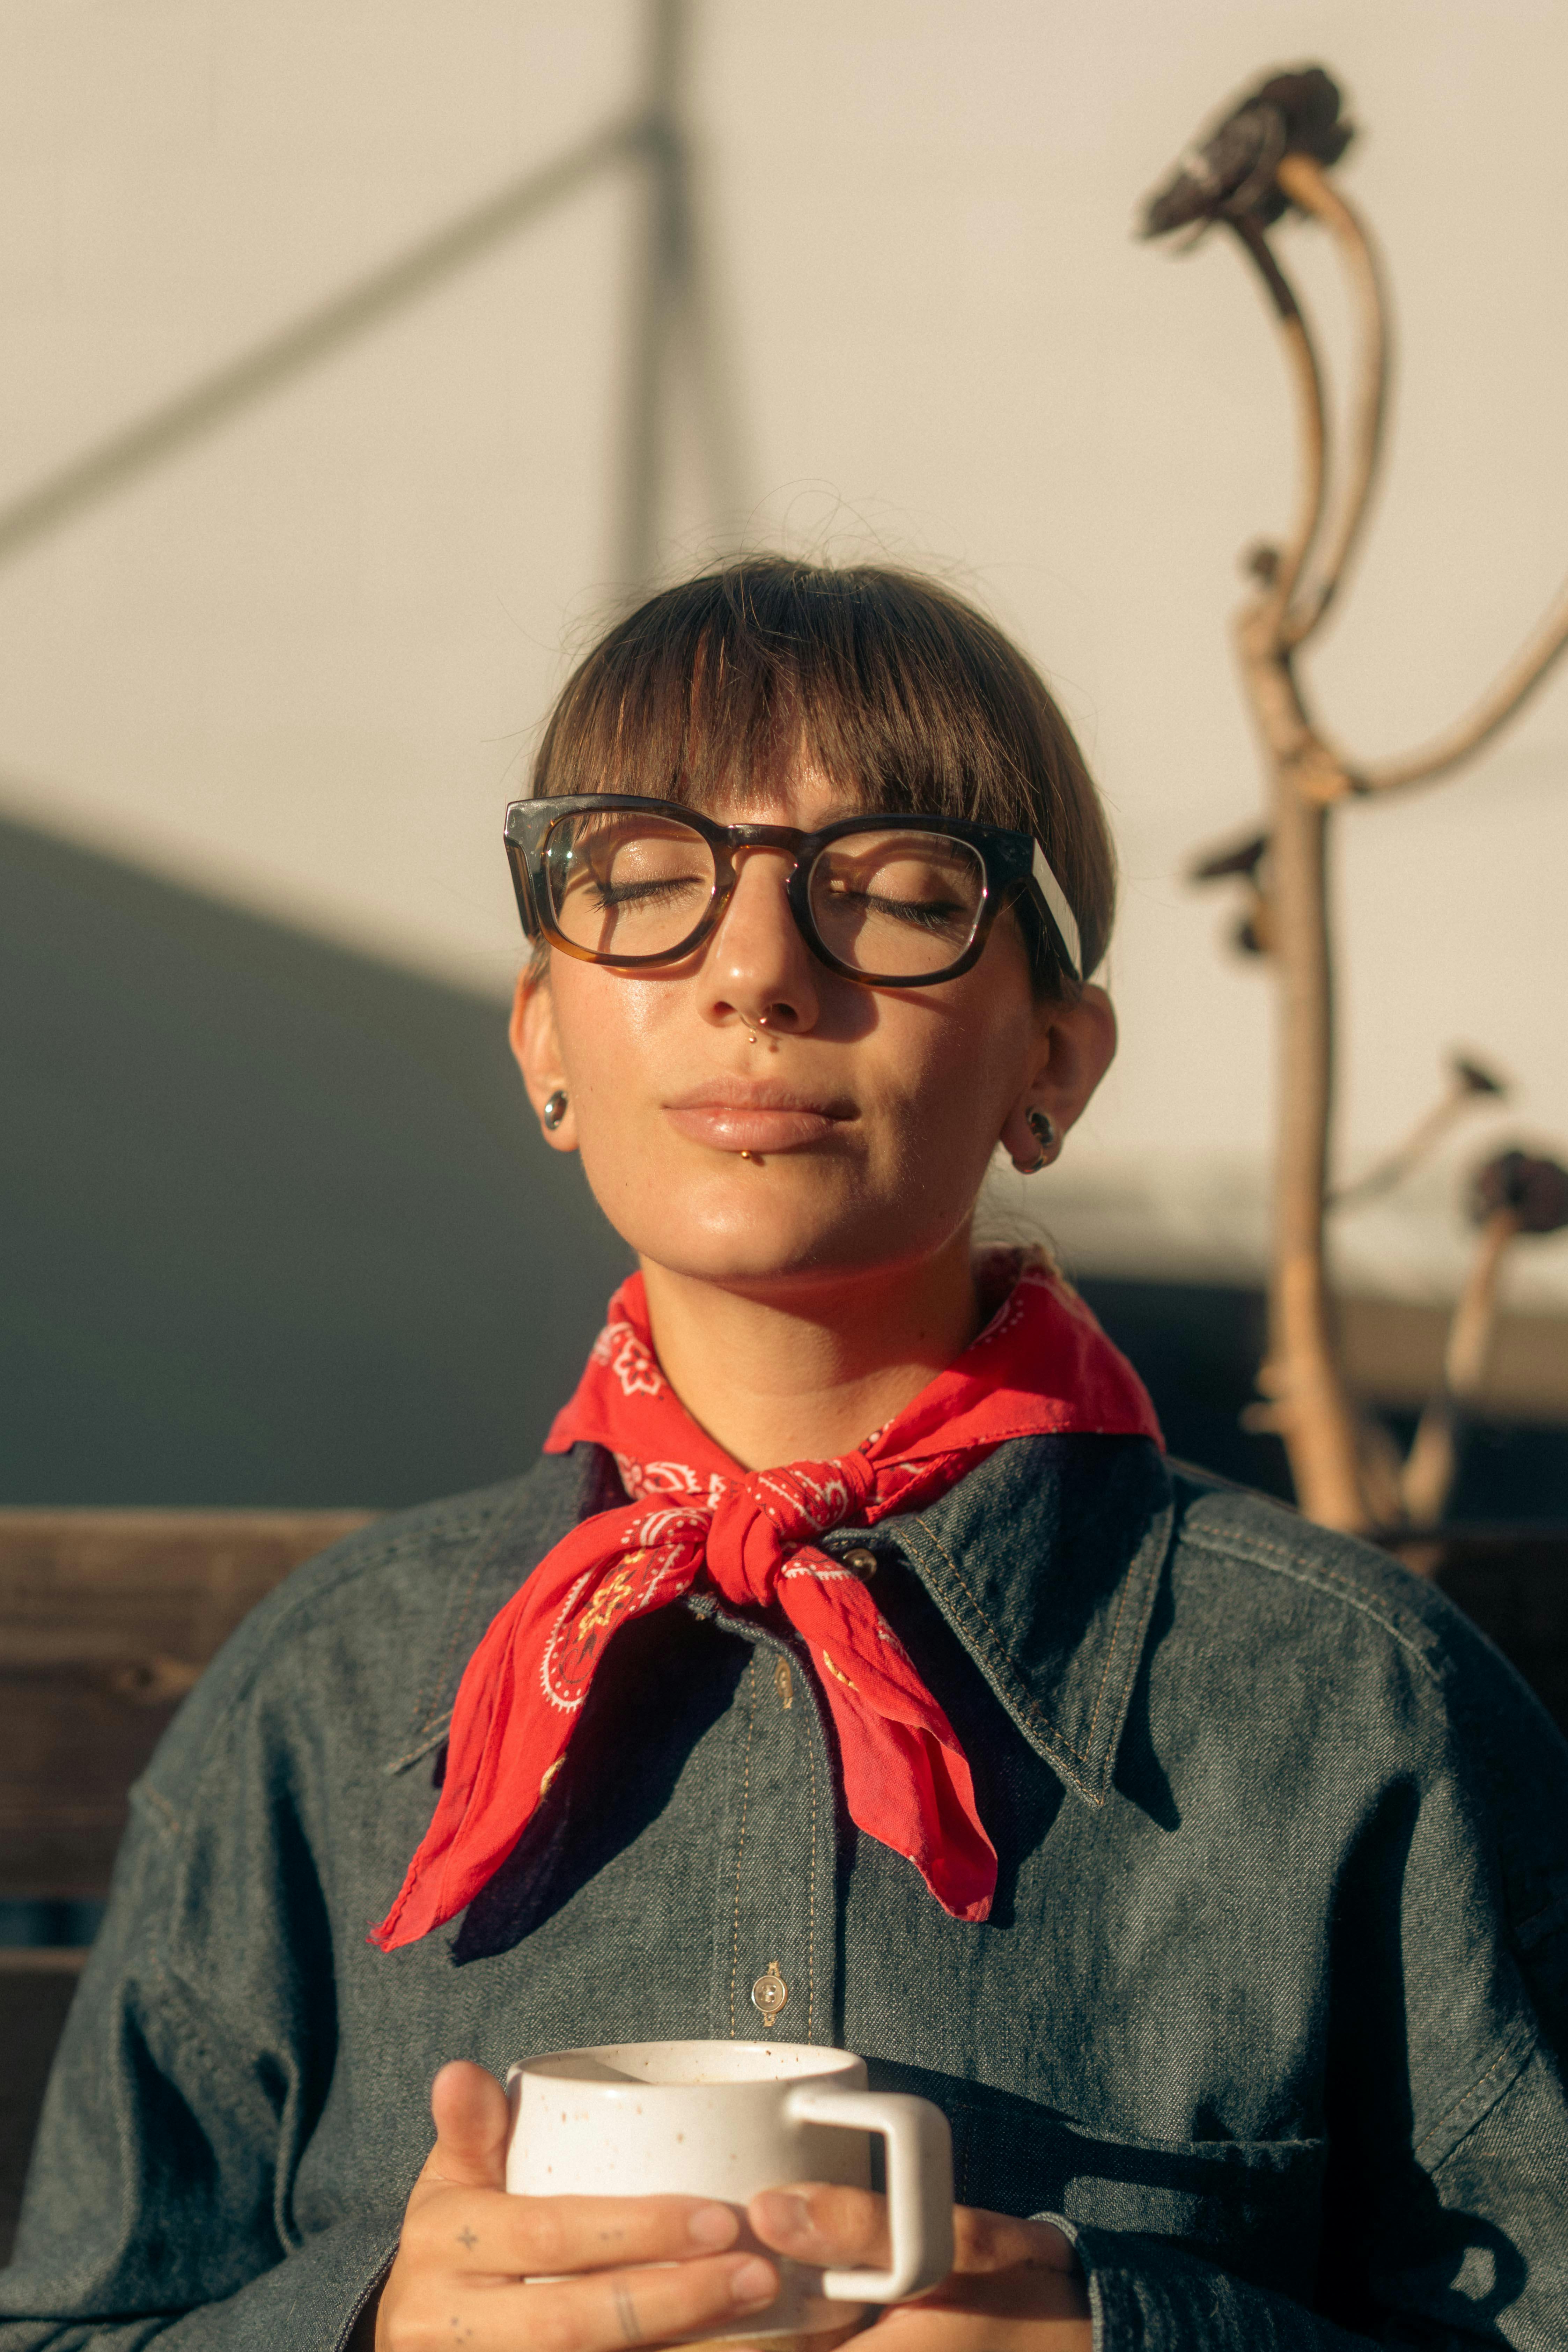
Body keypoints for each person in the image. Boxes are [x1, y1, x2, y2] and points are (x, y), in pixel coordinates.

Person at [2, 558, 1565, 2352]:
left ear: (1051, 1061)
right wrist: (370, 2332)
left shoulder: (1345, 1710)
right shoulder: (332, 1696)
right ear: (543, 1037)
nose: (754, 970)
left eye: (898, 899)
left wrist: (1131, 2336)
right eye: (650, 885)